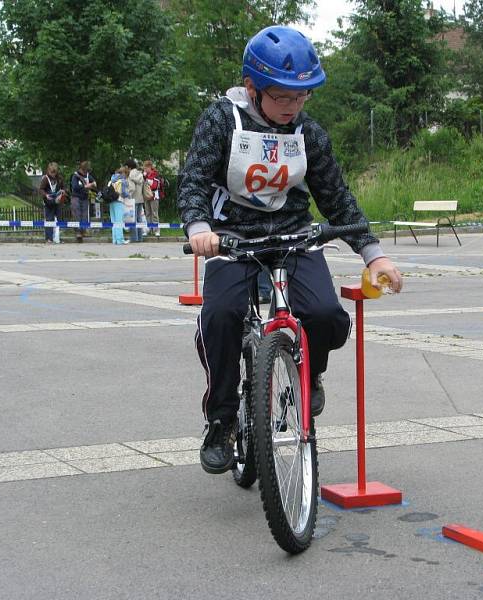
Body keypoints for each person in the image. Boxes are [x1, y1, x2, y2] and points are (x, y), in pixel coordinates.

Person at [177, 25, 403, 474]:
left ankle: (309, 372)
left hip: (294, 236)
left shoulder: (309, 134)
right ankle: (221, 419)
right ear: (252, 88)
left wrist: (373, 254)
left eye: (302, 97)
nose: (293, 107)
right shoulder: (222, 120)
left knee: (326, 316)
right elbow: (195, 180)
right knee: (219, 316)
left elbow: (337, 198)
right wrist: (200, 227)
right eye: (283, 97)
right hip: (231, 237)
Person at [70, 160, 97, 243]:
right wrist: (86, 186)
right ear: (82, 169)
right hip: (76, 198)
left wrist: (92, 184)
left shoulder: (88, 175)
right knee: (77, 214)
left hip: (85, 198)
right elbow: (75, 187)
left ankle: (83, 231)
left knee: (85, 215)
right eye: (86, 170)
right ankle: (78, 233)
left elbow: (95, 183)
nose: (87, 173)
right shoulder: (75, 176)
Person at [38, 162, 66, 244]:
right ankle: (48, 239)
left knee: (59, 220)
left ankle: (57, 238)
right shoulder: (45, 179)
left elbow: (64, 187)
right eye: (51, 172)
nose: (53, 174)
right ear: (48, 171)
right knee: (49, 220)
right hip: (48, 202)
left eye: (55, 172)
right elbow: (41, 189)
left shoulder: (59, 178)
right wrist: (46, 195)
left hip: (57, 201)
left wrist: (63, 191)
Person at [109, 166, 130, 245]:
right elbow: (124, 193)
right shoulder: (123, 181)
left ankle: (115, 240)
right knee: (119, 222)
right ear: (124, 173)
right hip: (119, 201)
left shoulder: (112, 180)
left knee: (114, 222)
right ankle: (120, 240)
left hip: (111, 201)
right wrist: (129, 195)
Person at [126, 159, 146, 242]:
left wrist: (128, 195)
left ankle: (134, 238)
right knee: (139, 218)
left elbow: (131, 188)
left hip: (133, 199)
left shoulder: (131, 174)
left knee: (132, 219)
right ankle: (140, 237)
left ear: (128, 166)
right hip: (140, 198)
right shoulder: (139, 173)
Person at [143, 160, 162, 237]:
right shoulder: (145, 175)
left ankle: (156, 230)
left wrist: (147, 180)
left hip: (154, 196)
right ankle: (149, 229)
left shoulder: (155, 174)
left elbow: (155, 186)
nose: (145, 169)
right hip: (146, 196)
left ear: (149, 167)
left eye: (145, 168)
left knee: (154, 213)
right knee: (147, 213)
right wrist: (144, 177)